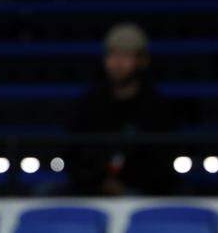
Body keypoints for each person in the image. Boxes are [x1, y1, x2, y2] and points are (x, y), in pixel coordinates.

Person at [66, 23, 181, 195]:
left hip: (143, 191)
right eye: (113, 55)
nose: (117, 63)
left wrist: (128, 184)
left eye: (126, 56)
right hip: (90, 189)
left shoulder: (157, 107)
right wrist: (99, 181)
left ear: (142, 60)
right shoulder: (89, 103)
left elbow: (163, 162)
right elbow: (73, 154)